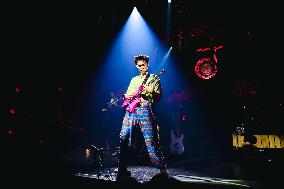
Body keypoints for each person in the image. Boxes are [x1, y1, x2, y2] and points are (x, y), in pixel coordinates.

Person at [116, 54, 168, 179]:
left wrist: (151, 91)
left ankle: (162, 169)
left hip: (145, 109)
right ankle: (122, 168)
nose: (141, 67)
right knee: (124, 138)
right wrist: (127, 96)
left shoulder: (154, 78)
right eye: (138, 65)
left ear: (147, 64)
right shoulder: (134, 79)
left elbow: (159, 97)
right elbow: (128, 95)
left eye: (143, 65)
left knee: (151, 141)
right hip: (131, 111)